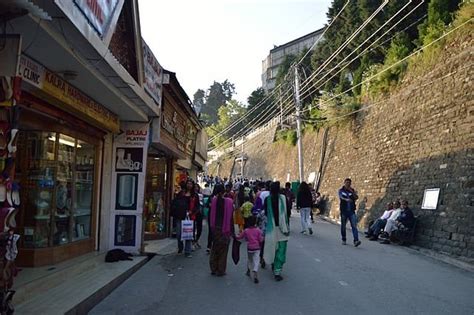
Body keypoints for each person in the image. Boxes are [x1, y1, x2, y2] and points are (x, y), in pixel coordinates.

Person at [264, 181, 290, 281]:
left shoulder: (267, 200)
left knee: (272, 248)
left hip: (271, 228)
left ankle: (273, 264)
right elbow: (288, 213)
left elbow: (266, 213)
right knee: (281, 250)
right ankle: (277, 272)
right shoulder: (283, 199)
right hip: (282, 228)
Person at [209, 184, 234, 276]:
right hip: (225, 230)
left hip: (215, 228)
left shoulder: (214, 201)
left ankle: (213, 268)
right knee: (223, 251)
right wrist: (232, 231)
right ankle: (221, 270)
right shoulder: (229, 202)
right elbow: (231, 217)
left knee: (215, 249)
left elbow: (211, 217)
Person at [235, 216, 264, 284]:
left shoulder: (246, 231)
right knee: (256, 260)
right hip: (257, 248)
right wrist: (263, 238)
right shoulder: (258, 230)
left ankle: (248, 270)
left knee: (250, 260)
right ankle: (255, 271)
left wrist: (235, 236)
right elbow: (260, 239)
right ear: (255, 222)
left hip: (250, 248)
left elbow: (240, 237)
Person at [170, 181, 193, 257]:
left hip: (188, 217)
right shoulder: (179, 195)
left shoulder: (193, 195)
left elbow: (195, 206)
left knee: (188, 235)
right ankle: (180, 247)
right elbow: (174, 203)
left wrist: (190, 212)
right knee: (179, 234)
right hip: (179, 216)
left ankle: (187, 251)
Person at [338, 178, 361, 247]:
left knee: (354, 226)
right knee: (343, 226)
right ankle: (344, 239)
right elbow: (341, 197)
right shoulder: (341, 190)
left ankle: (356, 240)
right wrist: (346, 199)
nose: (348, 184)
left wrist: (352, 192)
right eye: (347, 182)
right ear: (344, 183)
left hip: (351, 211)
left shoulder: (352, 190)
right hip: (344, 211)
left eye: (349, 183)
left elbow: (356, 197)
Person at [193, 183, 204, 249]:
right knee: (193, 228)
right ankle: (193, 241)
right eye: (195, 187)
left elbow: (202, 203)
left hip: (199, 213)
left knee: (199, 228)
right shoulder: (191, 195)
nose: (196, 188)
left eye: (197, 187)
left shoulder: (201, 195)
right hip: (193, 213)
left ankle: (196, 240)